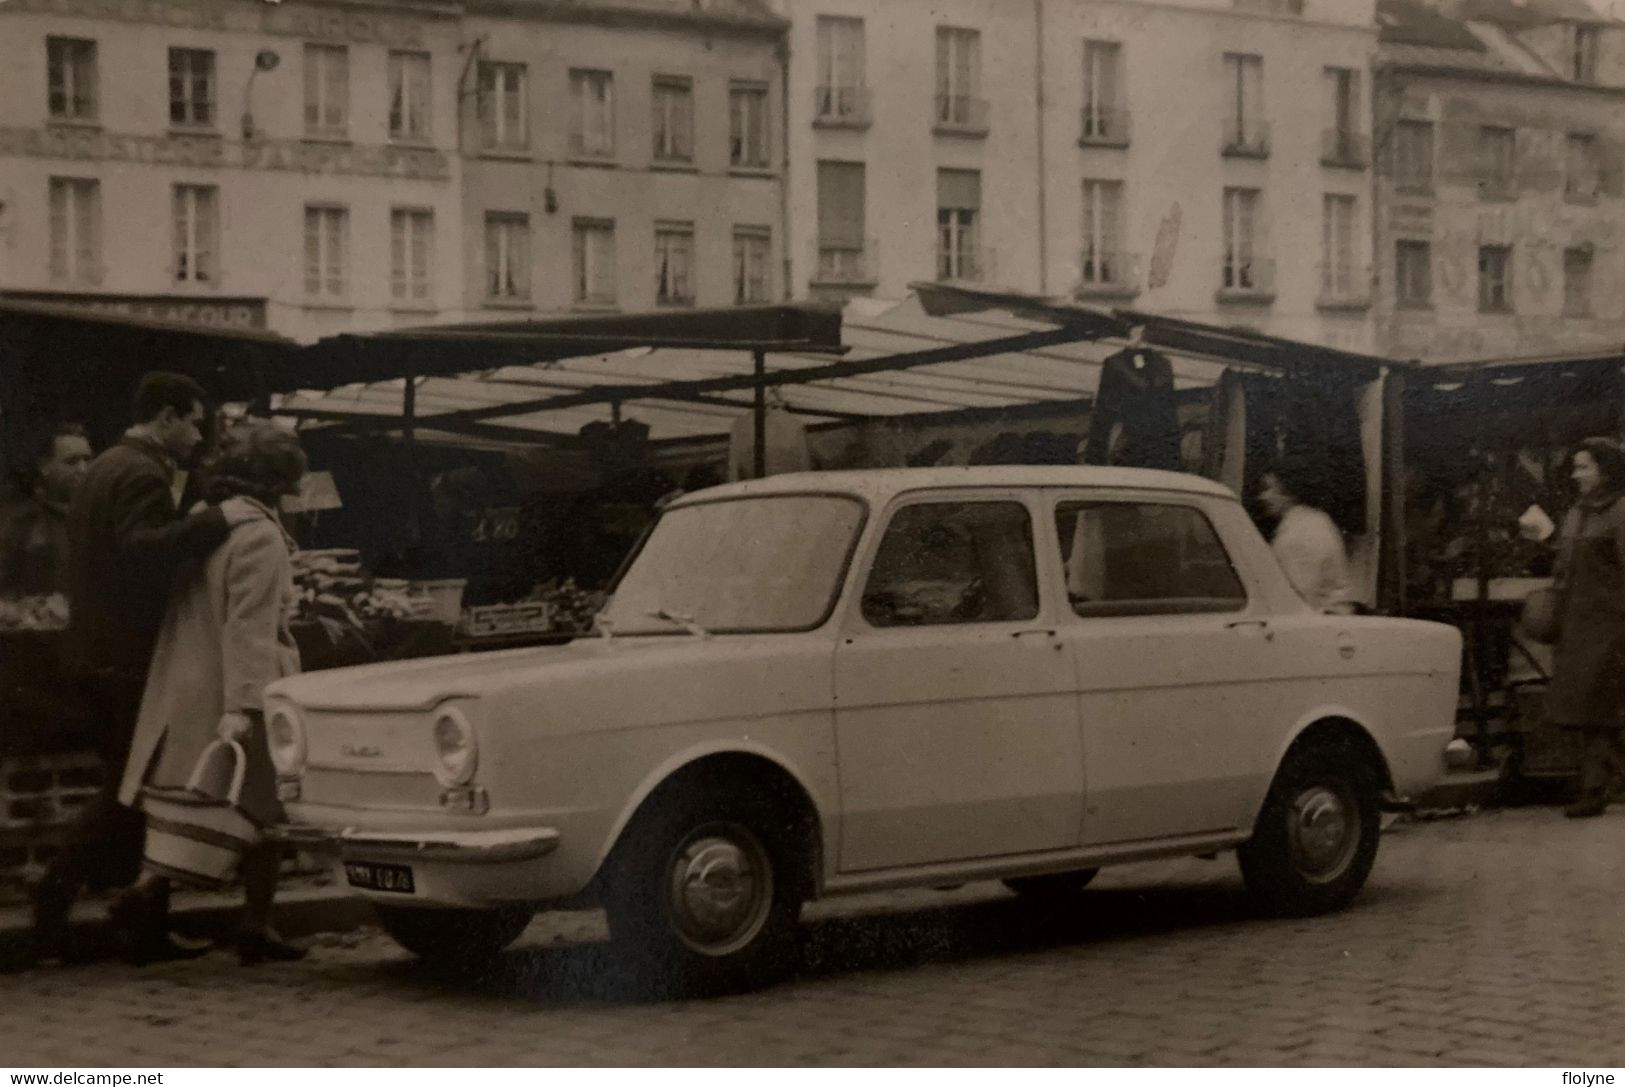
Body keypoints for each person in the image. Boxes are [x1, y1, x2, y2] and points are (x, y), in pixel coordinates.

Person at [31, 373, 258, 965]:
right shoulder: (142, 472)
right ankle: (55, 893)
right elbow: (141, 551)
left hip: (98, 652)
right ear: (164, 417)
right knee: (130, 791)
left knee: (134, 791)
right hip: (126, 659)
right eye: (193, 422)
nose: (198, 435)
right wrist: (212, 523)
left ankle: (139, 927)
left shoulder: (109, 464)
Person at [117, 420, 308, 964]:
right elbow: (248, 627)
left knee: (192, 805)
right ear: (278, 484)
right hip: (239, 685)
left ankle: (185, 910)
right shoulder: (262, 537)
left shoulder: (207, 523)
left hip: (185, 679)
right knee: (259, 806)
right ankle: (246, 920)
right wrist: (244, 706)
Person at [1543, 437, 1625, 819]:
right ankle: (1598, 783)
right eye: (1575, 467)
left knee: (1599, 709)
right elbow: (1564, 564)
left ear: (1606, 470)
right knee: (1585, 710)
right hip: (1577, 626)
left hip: (1611, 626)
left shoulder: (1621, 511)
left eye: (1584, 467)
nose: (1576, 475)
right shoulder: (1577, 513)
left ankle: (1596, 788)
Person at [0, 423, 92, 599]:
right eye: (71, 461)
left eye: (88, 459)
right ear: (45, 466)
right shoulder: (22, 521)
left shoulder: (103, 516)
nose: (83, 469)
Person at [1258, 458, 1354, 613]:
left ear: (1288, 492)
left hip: (1314, 623)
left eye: (1269, 489)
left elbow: (1296, 597)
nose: (1263, 497)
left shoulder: (1298, 534)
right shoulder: (1317, 519)